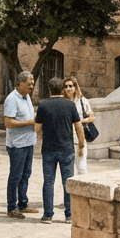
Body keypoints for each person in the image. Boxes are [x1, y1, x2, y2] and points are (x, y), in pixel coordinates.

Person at [34, 76, 85, 223]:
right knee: (67, 181)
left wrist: (35, 143)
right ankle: (69, 215)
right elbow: (78, 126)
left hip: (49, 149)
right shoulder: (69, 105)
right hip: (67, 149)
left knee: (48, 182)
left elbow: (37, 128)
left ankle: (48, 215)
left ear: (49, 89)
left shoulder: (43, 105)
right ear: (62, 89)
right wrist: (81, 144)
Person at [3, 70, 38, 217]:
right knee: (15, 176)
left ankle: (23, 203)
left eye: (32, 84)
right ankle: (12, 207)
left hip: (29, 142)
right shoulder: (12, 99)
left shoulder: (27, 97)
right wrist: (30, 122)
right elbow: (8, 122)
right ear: (20, 84)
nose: (31, 87)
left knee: (26, 174)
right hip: (17, 145)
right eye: (29, 84)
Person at [65, 76, 95, 175]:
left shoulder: (82, 101)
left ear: (75, 87)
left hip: (79, 139)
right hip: (66, 140)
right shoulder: (63, 102)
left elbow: (92, 117)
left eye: (70, 86)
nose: (68, 89)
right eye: (66, 86)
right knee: (68, 170)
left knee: (82, 169)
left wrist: (81, 122)